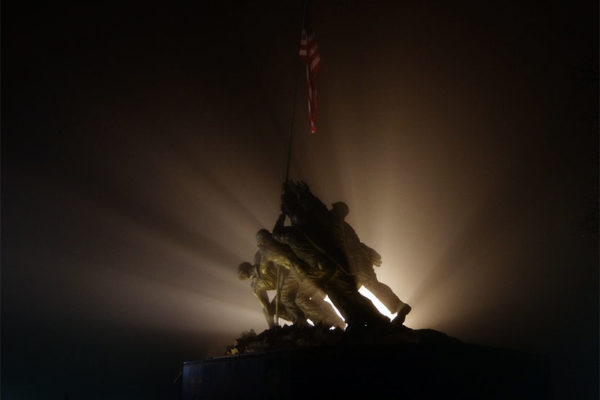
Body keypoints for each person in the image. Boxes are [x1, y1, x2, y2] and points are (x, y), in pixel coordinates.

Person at [330, 201, 411, 322]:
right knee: (355, 290)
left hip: (356, 262)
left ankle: (397, 307)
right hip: (353, 262)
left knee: (369, 284)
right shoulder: (339, 226)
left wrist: (367, 253)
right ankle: (367, 317)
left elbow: (354, 245)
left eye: (335, 209)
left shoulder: (341, 227)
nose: (331, 211)